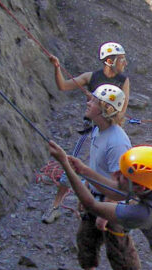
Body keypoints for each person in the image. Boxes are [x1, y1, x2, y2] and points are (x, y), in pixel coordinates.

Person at [58, 84, 143, 270]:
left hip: (112, 202)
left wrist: (106, 211)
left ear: (104, 109)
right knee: (85, 238)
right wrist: (85, 191)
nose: (88, 102)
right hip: (94, 194)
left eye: (93, 101)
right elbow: (96, 166)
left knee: (119, 244)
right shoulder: (98, 129)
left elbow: (120, 183)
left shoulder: (117, 142)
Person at [42, 42, 130, 224]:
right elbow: (64, 86)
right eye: (121, 59)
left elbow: (122, 109)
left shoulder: (123, 80)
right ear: (109, 61)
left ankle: (100, 205)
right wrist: (57, 68)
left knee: (101, 167)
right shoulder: (92, 77)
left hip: (107, 126)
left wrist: (107, 113)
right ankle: (56, 204)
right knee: (73, 163)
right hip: (91, 127)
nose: (125, 63)